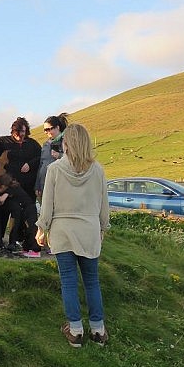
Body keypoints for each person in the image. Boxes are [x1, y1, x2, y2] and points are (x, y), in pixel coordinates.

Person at [35, 123, 110, 347]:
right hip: (89, 231)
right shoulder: (98, 169)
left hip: (62, 231)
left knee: (68, 282)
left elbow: (47, 204)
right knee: (92, 281)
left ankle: (76, 331)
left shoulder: (55, 169)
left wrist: (42, 228)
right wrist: (102, 227)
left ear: (65, 144)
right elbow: (104, 204)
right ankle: (98, 330)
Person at [0, 117, 41, 251]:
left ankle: (23, 240)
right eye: (17, 133)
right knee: (3, 212)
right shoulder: (3, 142)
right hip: (7, 185)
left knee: (27, 213)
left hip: (27, 186)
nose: (20, 136)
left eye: (23, 132)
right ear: (13, 132)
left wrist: (30, 164)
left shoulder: (32, 144)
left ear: (27, 131)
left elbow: (40, 158)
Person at [0, 173, 42, 257]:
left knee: (31, 228)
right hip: (23, 209)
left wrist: (6, 195)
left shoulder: (14, 189)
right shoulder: (8, 191)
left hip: (28, 209)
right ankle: (26, 248)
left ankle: (35, 249)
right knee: (24, 229)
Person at [35, 113, 69, 202]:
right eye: (45, 130)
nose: (46, 132)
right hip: (44, 185)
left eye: (48, 129)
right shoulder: (46, 145)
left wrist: (60, 156)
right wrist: (37, 185)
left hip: (60, 186)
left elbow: (74, 160)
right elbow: (41, 165)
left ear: (57, 127)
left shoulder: (67, 141)